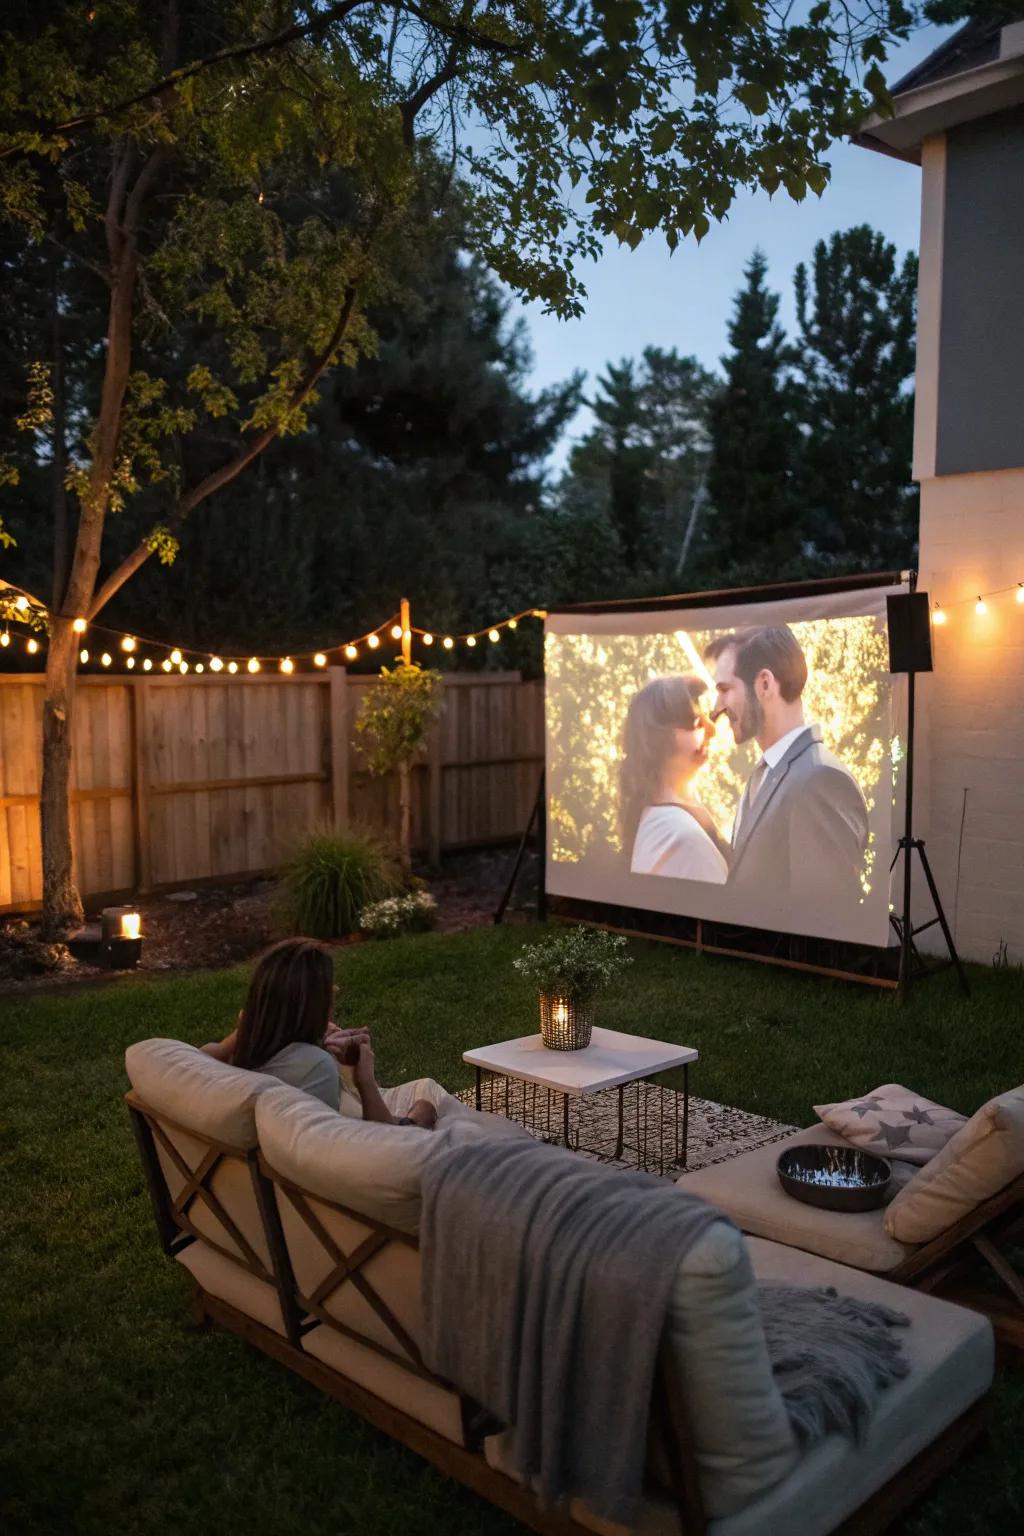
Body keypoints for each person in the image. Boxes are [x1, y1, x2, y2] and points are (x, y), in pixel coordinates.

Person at [704, 626, 868, 912]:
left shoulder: (821, 780)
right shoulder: (763, 773)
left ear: (765, 684)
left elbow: (827, 919)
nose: (715, 709)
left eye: (725, 689)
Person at [201, 937, 437, 1128]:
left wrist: (252, 1026)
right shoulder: (316, 1067)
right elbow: (377, 1144)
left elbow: (205, 1054)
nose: (335, 989)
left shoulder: (235, 1058)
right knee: (427, 1105)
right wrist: (363, 1079)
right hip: (364, 1159)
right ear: (313, 1004)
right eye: (327, 987)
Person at [619, 674, 730, 882]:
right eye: (697, 723)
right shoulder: (678, 838)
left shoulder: (669, 823)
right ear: (659, 740)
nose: (712, 731)